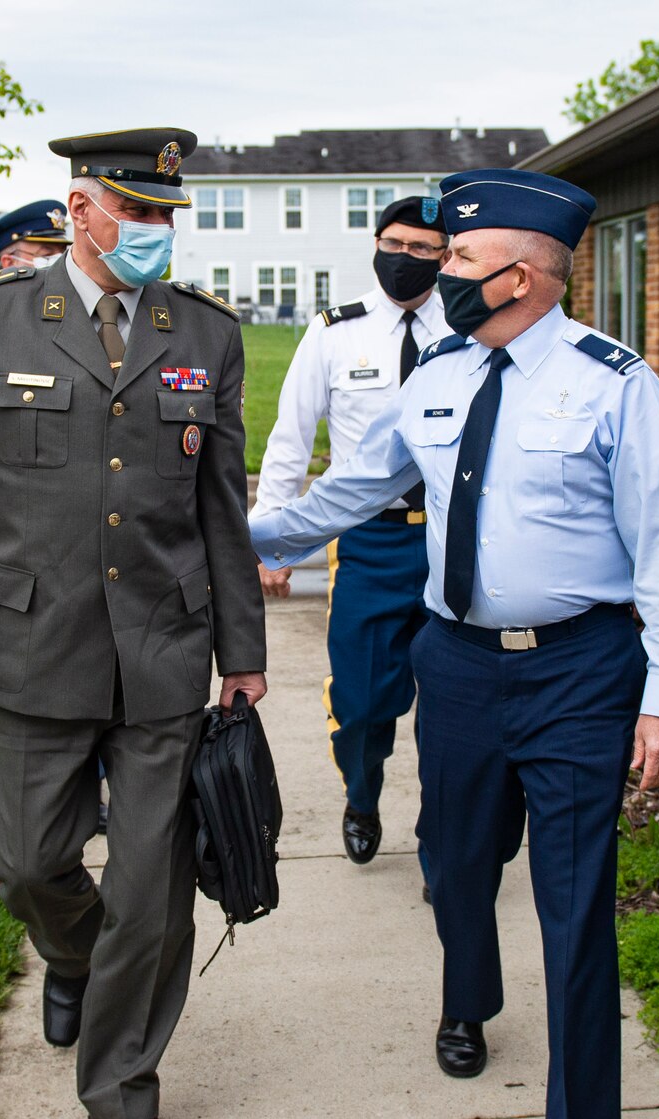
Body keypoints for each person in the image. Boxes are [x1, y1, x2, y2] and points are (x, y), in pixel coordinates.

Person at [251, 168, 659, 1119]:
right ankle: (468, 994)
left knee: (573, 900)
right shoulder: (438, 373)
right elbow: (355, 487)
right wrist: (246, 535)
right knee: (454, 864)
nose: (432, 273)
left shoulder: (614, 384)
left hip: (579, 670)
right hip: (453, 660)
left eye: (454, 260)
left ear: (519, 275)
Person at [0, 129, 267, 1119]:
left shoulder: (205, 336)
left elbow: (221, 503)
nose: (155, 233)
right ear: (78, 209)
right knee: (28, 864)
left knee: (151, 889)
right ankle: (76, 959)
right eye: (136, 212)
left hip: (163, 652)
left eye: (168, 215)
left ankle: (124, 1094)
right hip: (30, 642)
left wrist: (242, 649)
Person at [254, 195, 451, 869]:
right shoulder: (337, 331)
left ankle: (442, 839)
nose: (405, 258)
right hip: (369, 540)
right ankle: (362, 796)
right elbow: (291, 434)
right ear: (375, 244)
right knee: (364, 701)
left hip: (455, 541)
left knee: (453, 705)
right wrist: (274, 545)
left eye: (423, 249)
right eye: (394, 244)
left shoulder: (469, 327)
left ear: (447, 256)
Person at [0, 201, 75, 767]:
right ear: (8, 260)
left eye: (60, 252)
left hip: (62, 523)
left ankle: (83, 778)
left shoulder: (68, 319)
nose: (57, 264)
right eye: (44, 254)